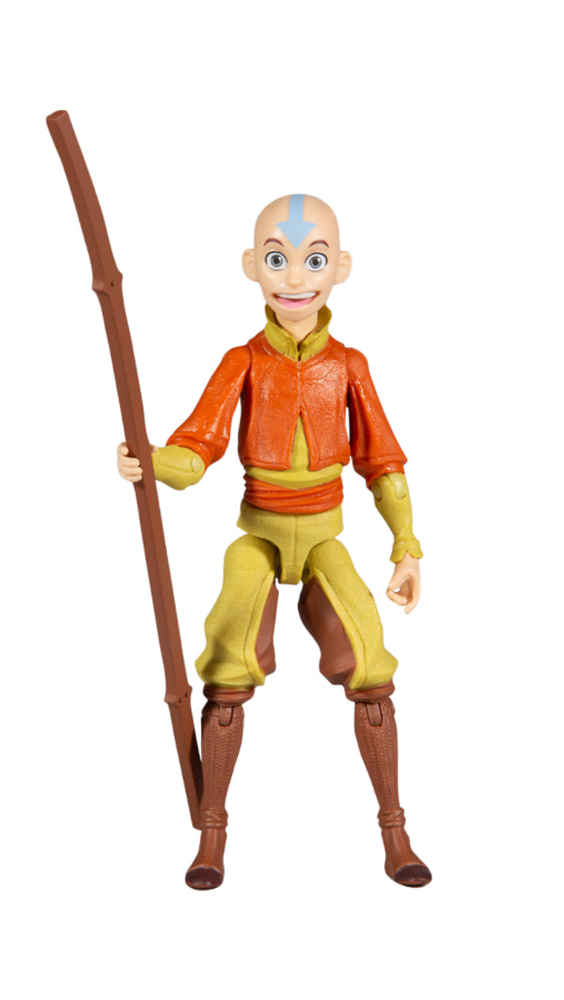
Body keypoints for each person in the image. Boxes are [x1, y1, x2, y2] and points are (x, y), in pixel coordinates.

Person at [117, 194, 431, 889]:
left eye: (314, 260)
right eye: (277, 258)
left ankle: (396, 830)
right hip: (257, 533)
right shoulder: (243, 362)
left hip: (324, 538)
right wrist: (150, 459)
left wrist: (406, 544)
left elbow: (383, 460)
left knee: (369, 658)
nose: (294, 277)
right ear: (251, 266)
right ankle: (212, 833)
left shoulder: (348, 366)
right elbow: (197, 448)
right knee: (229, 663)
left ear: (340, 267)